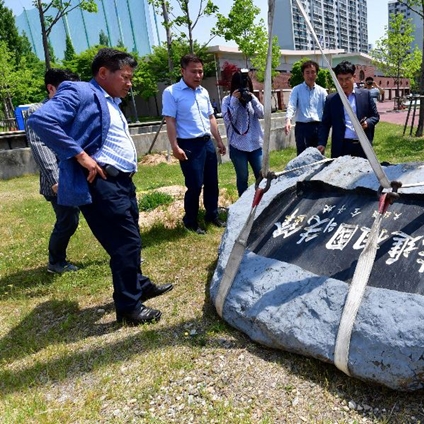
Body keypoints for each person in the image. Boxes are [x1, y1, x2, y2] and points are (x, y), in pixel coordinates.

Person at [27, 48, 173, 325]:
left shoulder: (110, 101)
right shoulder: (80, 91)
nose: (130, 83)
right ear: (103, 73)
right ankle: (129, 307)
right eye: (126, 77)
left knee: (128, 239)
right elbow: (40, 120)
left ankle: (138, 284)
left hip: (121, 182)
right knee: (126, 242)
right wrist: (80, 155)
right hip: (101, 183)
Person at [25, 68, 82, 274]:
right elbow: (40, 146)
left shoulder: (73, 109)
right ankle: (56, 261)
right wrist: (56, 180)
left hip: (81, 173)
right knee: (68, 220)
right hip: (58, 179)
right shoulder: (37, 110)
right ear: (51, 88)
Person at [162, 54, 227, 235]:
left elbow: (211, 117)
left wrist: (219, 141)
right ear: (183, 71)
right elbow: (170, 121)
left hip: (207, 143)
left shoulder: (203, 92)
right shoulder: (172, 92)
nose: (198, 75)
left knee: (212, 182)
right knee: (195, 184)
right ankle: (190, 220)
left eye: (200, 71)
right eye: (194, 72)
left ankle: (212, 214)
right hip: (189, 145)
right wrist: (175, 146)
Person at [319, 61, 380, 158]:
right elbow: (325, 124)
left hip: (362, 146)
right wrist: (322, 143)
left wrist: (367, 123)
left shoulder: (365, 95)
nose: (344, 83)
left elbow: (375, 116)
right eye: (340, 79)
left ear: (354, 76)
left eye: (347, 79)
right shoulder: (331, 100)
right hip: (341, 146)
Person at [221, 71, 264, 196]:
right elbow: (228, 120)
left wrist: (253, 98)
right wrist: (234, 100)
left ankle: (262, 203)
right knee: (242, 177)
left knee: (261, 176)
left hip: (255, 145)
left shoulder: (251, 99)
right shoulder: (227, 100)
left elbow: (262, 114)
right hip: (238, 146)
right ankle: (243, 206)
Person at [284, 60, 327, 155]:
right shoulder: (296, 90)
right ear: (303, 74)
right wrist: (288, 120)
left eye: (313, 72)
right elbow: (291, 105)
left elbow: (327, 110)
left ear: (316, 74)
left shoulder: (322, 91)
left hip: (318, 127)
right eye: (307, 72)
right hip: (302, 128)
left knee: (319, 156)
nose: (310, 75)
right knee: (303, 156)